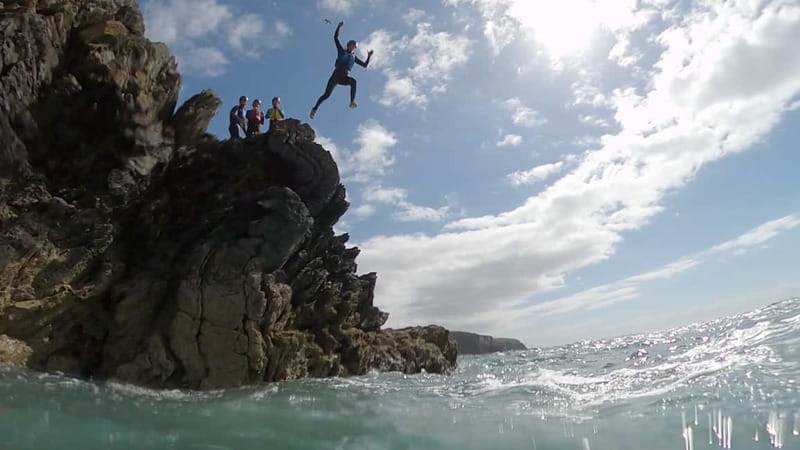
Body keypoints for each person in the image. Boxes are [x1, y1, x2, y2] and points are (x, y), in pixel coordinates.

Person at [310, 21, 373, 119]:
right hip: (336, 76)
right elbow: (335, 38)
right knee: (326, 95)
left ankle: (352, 102)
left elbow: (364, 65)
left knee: (353, 82)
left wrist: (369, 56)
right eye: (351, 45)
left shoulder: (353, 57)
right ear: (348, 45)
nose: (353, 47)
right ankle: (314, 109)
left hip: (345, 77)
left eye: (354, 46)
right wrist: (339, 27)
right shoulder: (341, 51)